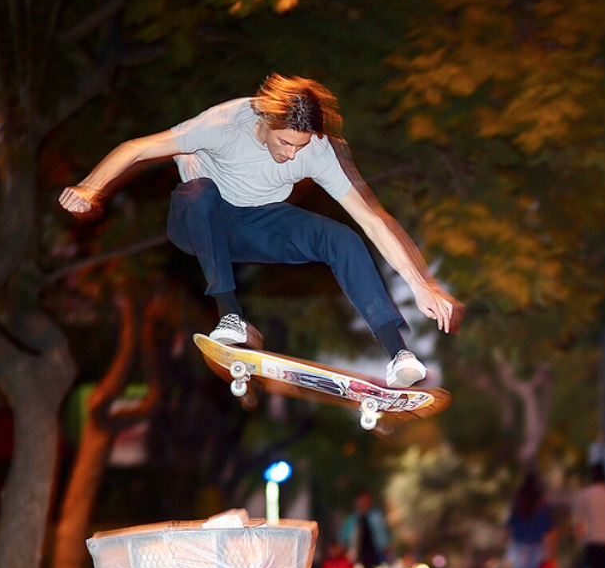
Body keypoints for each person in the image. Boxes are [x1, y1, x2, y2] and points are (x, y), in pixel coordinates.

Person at [59, 74, 459, 388]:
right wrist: (91, 187)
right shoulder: (224, 124)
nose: (291, 155)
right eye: (285, 142)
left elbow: (373, 219)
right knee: (201, 192)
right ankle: (229, 315)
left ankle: (397, 354)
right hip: (197, 221)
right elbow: (137, 148)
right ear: (267, 121)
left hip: (255, 224)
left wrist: (421, 284)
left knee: (342, 237)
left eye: (300, 147)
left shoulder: (315, 150)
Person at [505, 470, 556, 568]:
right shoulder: (542, 503)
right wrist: (551, 547)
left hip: (520, 542)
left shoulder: (518, 501)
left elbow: (511, 522)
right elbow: (547, 526)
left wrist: (505, 535)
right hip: (536, 542)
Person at [339, 490, 391, 568]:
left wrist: (386, 547)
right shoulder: (354, 518)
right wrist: (341, 544)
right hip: (358, 549)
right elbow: (345, 532)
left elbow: (382, 532)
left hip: (372, 550)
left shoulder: (375, 516)